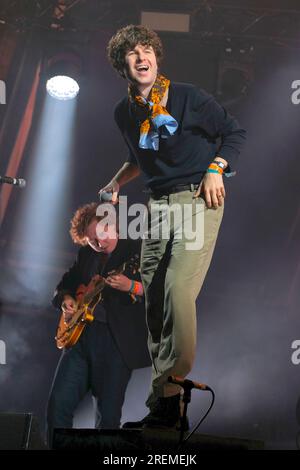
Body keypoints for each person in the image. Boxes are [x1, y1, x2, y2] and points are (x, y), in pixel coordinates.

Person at [99, 24, 246, 429]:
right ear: (122, 66)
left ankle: (169, 391)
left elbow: (234, 133)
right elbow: (140, 158)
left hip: (198, 199)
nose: (141, 58)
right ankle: (163, 402)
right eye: (131, 55)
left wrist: (218, 168)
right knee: (156, 303)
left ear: (156, 57)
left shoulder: (188, 97)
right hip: (158, 206)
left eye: (146, 50)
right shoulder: (123, 113)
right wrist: (115, 182)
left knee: (179, 290)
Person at [46, 201, 150, 447]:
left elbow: (163, 288)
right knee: (58, 406)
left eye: (101, 235)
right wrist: (67, 300)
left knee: (108, 419)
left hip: (116, 343)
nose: (99, 243)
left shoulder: (137, 248)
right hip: (80, 339)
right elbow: (63, 287)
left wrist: (131, 286)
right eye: (92, 240)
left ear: (112, 226)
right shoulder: (86, 255)